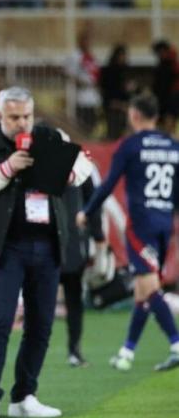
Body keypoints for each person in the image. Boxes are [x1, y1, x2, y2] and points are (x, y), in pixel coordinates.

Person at [0, 86, 93, 418]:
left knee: (42, 324)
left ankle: (24, 396)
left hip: (48, 245)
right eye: (14, 117)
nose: (22, 123)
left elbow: (84, 163)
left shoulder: (51, 135)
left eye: (27, 116)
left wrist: (69, 175)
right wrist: (7, 169)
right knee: (0, 320)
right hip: (5, 246)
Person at [77, 93, 179, 372]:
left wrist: (87, 211)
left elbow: (108, 183)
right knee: (142, 291)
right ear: (156, 115)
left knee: (149, 287)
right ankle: (127, 352)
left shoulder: (131, 145)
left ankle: (176, 343)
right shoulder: (173, 145)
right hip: (164, 224)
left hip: (141, 224)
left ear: (134, 115)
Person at [60, 175, 105, 367]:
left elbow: (93, 202)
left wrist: (98, 236)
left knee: (74, 297)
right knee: (37, 300)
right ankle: (32, 353)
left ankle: (74, 349)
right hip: (45, 242)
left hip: (73, 242)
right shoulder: (36, 158)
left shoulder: (81, 166)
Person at [66, 31, 101, 136]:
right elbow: (68, 73)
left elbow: (95, 74)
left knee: (93, 122)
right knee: (82, 124)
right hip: (81, 97)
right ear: (80, 42)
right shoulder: (75, 56)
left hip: (93, 96)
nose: (87, 43)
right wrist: (79, 82)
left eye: (88, 41)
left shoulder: (91, 56)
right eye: (85, 40)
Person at [99, 44, 134, 140]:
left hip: (124, 105)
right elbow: (106, 88)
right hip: (112, 104)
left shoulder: (126, 70)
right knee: (113, 130)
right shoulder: (109, 70)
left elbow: (130, 88)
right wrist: (114, 102)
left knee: (124, 130)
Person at [150, 40, 179, 134]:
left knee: (169, 120)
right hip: (167, 97)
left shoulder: (169, 64)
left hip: (170, 97)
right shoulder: (169, 63)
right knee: (168, 121)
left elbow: (163, 84)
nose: (159, 54)